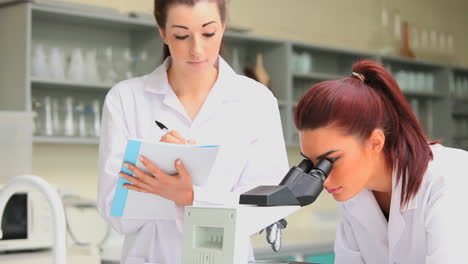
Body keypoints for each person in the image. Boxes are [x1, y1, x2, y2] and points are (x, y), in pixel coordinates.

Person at [97, 0, 289, 263]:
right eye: (181, 35)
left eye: (208, 33)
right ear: (163, 32)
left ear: (223, 26)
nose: (197, 49)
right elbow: (114, 213)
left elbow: (267, 207)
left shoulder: (257, 101)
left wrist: (191, 196)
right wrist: (159, 168)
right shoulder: (126, 99)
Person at [294, 60, 468, 263]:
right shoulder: (354, 192)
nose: (323, 179)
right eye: (313, 165)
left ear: (375, 142)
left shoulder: (451, 178)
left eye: (331, 160)